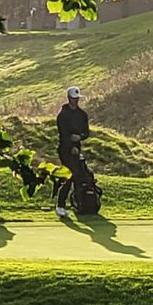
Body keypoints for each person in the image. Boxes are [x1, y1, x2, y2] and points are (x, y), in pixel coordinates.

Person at [55, 86, 89, 217]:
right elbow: (63, 134)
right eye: (73, 98)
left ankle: (78, 203)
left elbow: (86, 132)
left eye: (77, 99)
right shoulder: (63, 115)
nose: (75, 101)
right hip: (65, 149)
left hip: (76, 148)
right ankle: (60, 205)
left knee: (78, 175)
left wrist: (80, 137)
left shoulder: (82, 115)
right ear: (68, 98)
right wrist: (71, 147)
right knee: (70, 174)